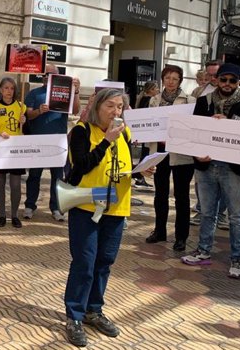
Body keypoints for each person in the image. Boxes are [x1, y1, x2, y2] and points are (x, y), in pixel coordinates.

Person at [63, 88, 155, 347]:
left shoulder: (125, 132)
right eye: (110, 107)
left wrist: (142, 172)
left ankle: (94, 309)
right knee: (84, 261)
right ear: (97, 107)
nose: (116, 112)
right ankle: (74, 316)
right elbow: (82, 165)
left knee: (104, 260)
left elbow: (121, 166)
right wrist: (106, 140)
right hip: (86, 205)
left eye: (120, 107)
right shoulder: (82, 131)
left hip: (116, 207)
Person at [181, 63, 240, 279]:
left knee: (235, 216)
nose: (227, 84)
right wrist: (197, 153)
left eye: (232, 80)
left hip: (233, 168)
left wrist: (230, 123)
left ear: (239, 82)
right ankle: (203, 250)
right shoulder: (204, 101)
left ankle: (237, 259)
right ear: (217, 80)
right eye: (223, 79)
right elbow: (194, 131)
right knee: (206, 212)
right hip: (206, 166)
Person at [144, 65, 195, 251]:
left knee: (181, 196)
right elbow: (147, 124)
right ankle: (159, 231)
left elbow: (192, 128)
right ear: (162, 79)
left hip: (181, 154)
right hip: (159, 152)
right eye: (167, 78)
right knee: (160, 194)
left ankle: (181, 236)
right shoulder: (154, 100)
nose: (171, 81)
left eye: (174, 78)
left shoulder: (190, 100)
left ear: (180, 80)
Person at [24, 64, 80, 222]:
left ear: (58, 76)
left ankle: (56, 207)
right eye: (45, 74)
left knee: (58, 177)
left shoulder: (64, 93)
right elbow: (27, 115)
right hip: (38, 140)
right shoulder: (34, 93)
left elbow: (75, 111)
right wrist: (38, 111)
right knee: (34, 175)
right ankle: (30, 205)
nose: (47, 77)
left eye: (51, 75)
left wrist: (75, 92)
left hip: (58, 140)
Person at [189, 60, 227, 227]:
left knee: (225, 182)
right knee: (201, 180)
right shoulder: (198, 92)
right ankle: (201, 209)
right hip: (204, 144)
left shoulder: (234, 90)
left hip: (225, 146)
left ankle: (221, 213)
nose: (212, 78)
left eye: (215, 75)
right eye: (209, 74)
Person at [0, 77, 26, 228]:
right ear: (0, 90)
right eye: (6, 88)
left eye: (12, 88)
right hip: (0, 149)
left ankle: (14, 215)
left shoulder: (21, 107)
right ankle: (2, 214)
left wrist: (25, 123)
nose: (9, 91)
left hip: (16, 150)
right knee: (0, 183)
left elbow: (28, 133)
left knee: (15, 185)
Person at [132, 81, 159, 190]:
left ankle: (139, 177)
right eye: (156, 88)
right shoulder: (148, 100)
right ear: (151, 90)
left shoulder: (142, 99)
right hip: (147, 131)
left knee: (145, 153)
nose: (157, 91)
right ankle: (139, 176)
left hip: (144, 131)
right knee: (146, 154)